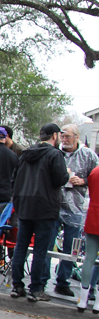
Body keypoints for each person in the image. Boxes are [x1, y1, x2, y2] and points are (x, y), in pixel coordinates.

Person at [9, 123, 68, 302]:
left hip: (25, 204)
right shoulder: (54, 154)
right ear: (55, 136)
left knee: (21, 247)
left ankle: (17, 285)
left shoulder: (27, 154)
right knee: (40, 250)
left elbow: (14, 178)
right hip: (45, 206)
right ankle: (36, 288)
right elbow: (59, 179)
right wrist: (67, 174)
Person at [44, 124, 97, 297]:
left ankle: (63, 281)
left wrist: (83, 181)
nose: (64, 140)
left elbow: (95, 176)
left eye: (68, 137)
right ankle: (42, 279)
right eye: (63, 136)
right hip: (53, 204)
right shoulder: (55, 152)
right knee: (48, 243)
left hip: (75, 206)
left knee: (71, 248)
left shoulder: (87, 155)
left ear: (77, 137)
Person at [77, 164, 99, 312]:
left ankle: (83, 299)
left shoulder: (95, 172)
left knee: (89, 259)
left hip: (93, 215)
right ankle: (97, 302)